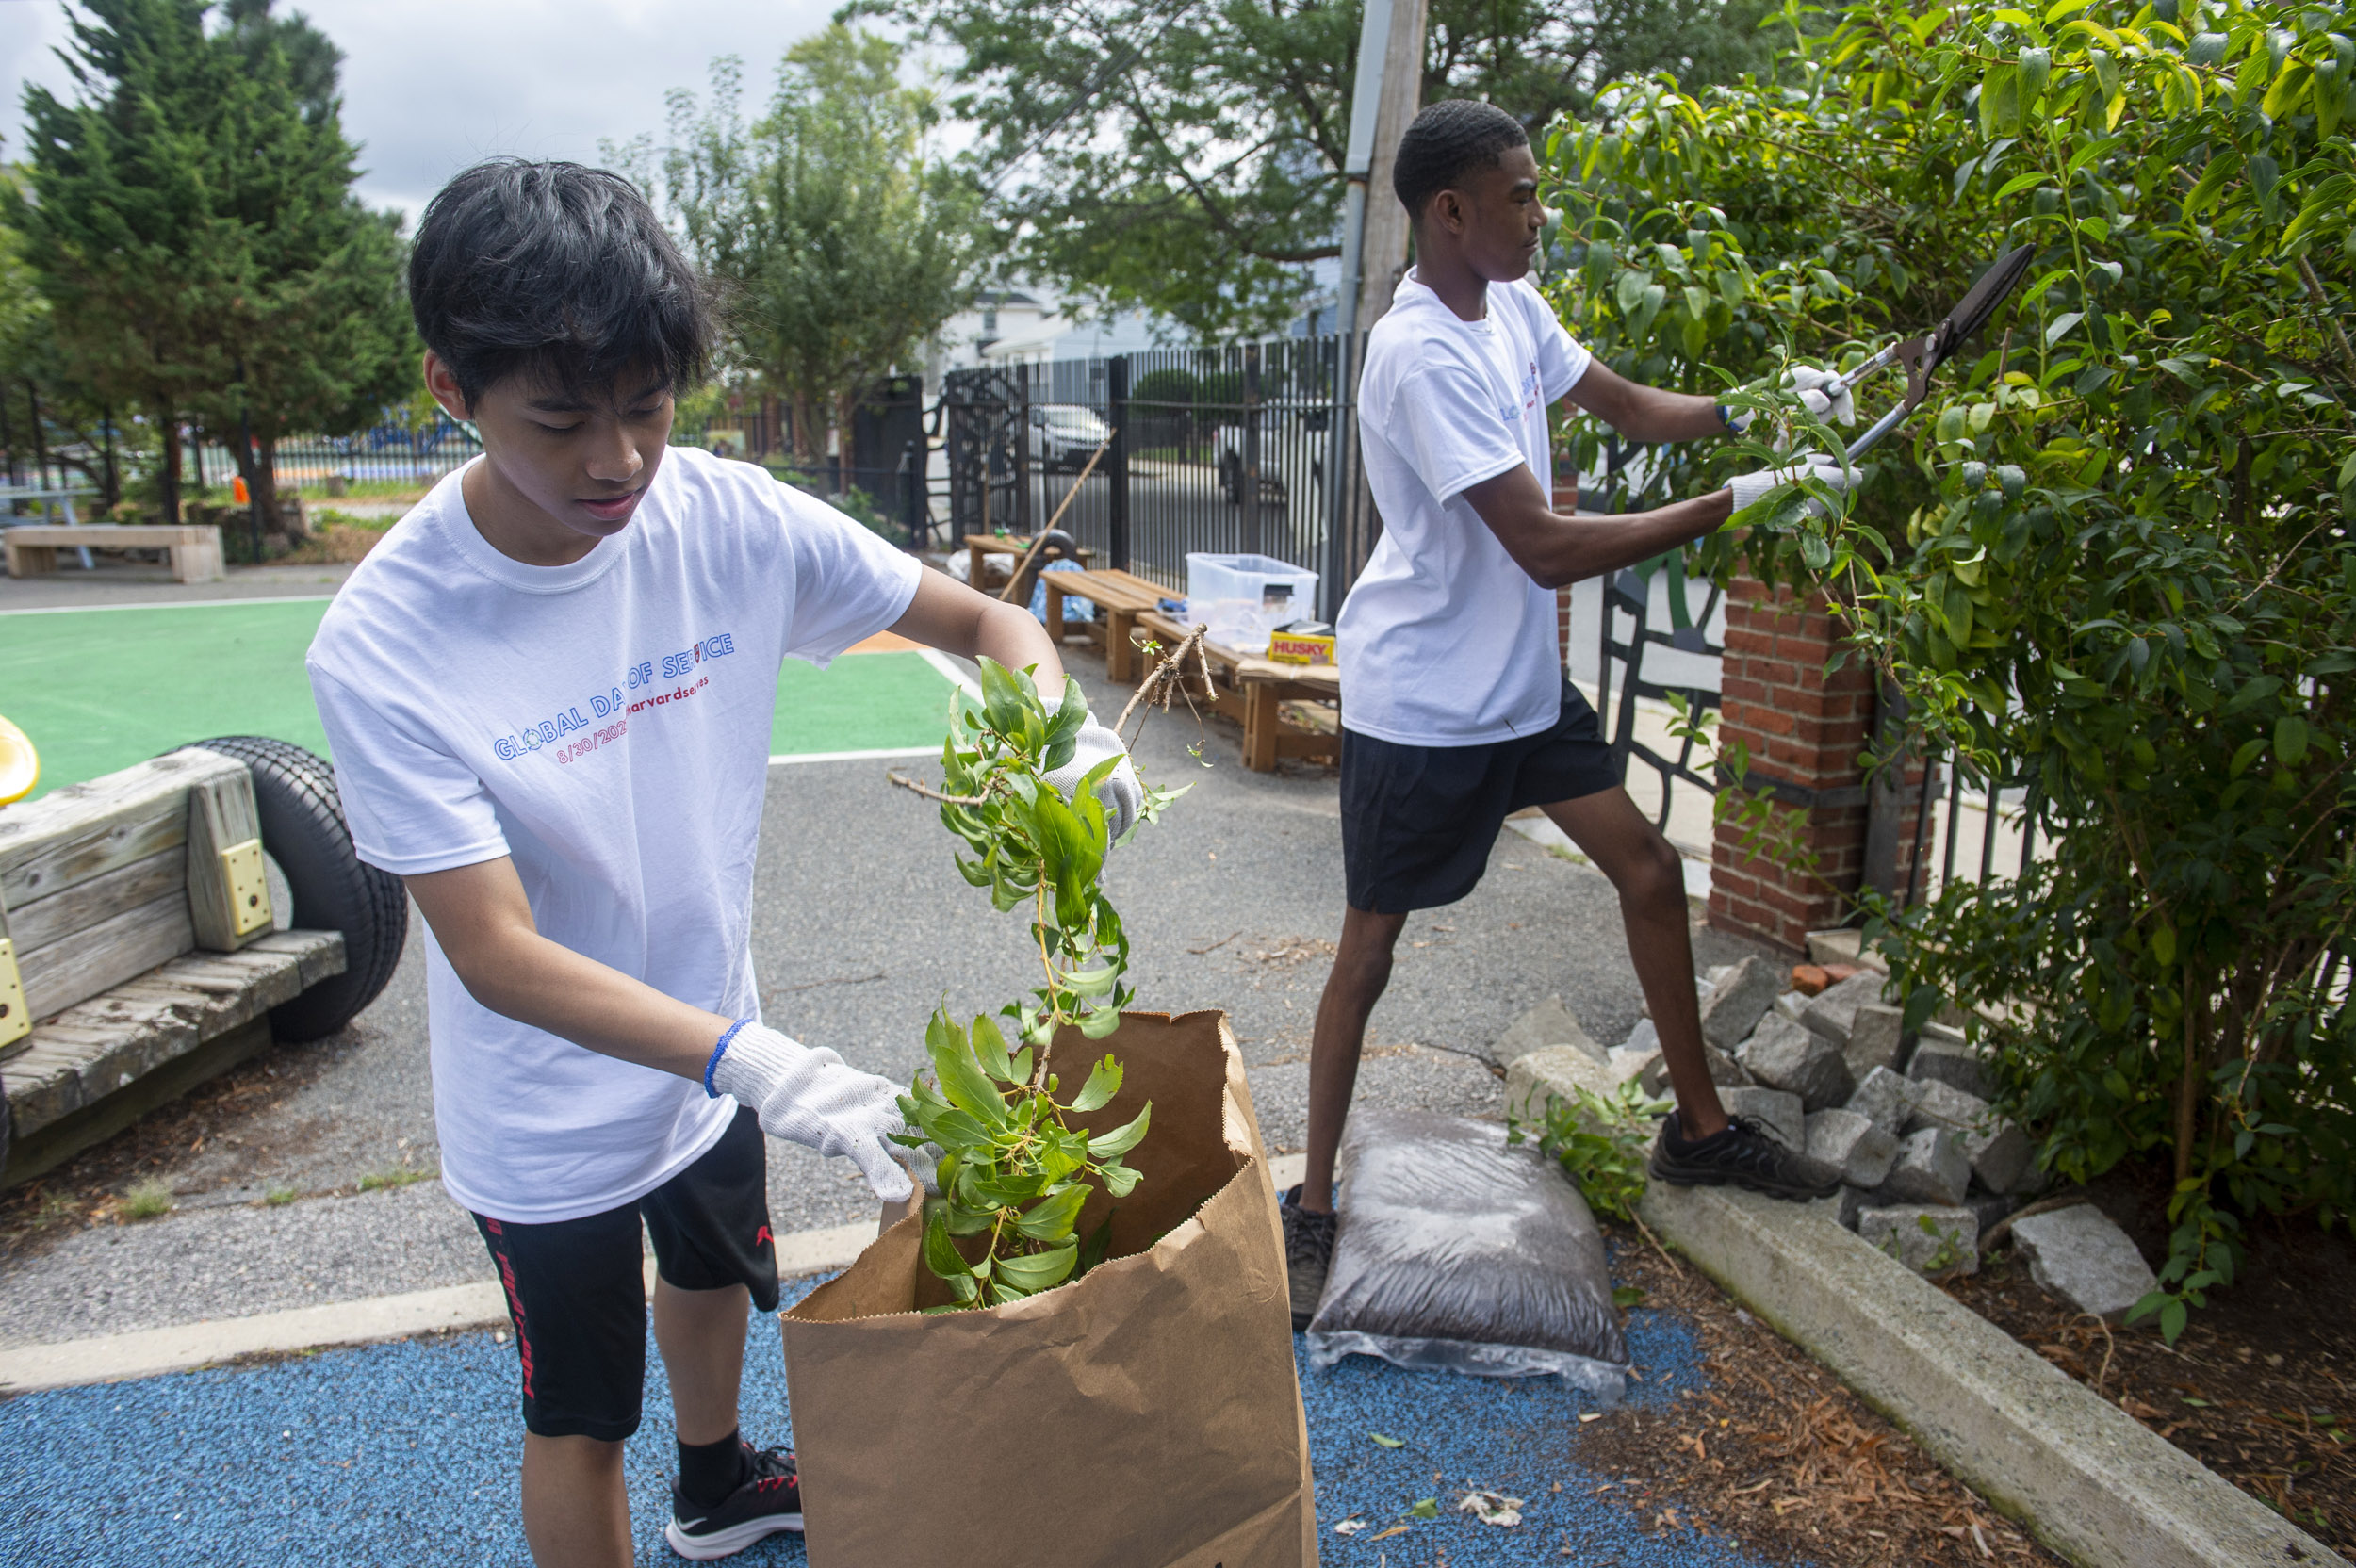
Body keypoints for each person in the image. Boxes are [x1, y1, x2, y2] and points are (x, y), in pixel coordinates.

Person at [305, 160, 1140, 1564]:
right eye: (561, 420)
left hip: (714, 1035)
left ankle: (717, 1484)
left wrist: (1059, 733)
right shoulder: (386, 644)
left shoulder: (727, 517)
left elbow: (988, 626)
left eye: (645, 406)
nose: (617, 461)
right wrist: (756, 1064)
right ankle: (659, 1480)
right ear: (452, 389)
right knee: (578, 1414)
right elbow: (498, 957)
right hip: (552, 1112)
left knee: (711, 1271)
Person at [1282, 100, 1856, 1327]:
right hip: (1426, 702)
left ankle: (1698, 1133)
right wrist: (1738, 501)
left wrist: (1772, 407)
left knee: (1650, 872)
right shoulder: (1419, 352)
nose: (1541, 215)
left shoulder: (1513, 311)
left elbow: (1640, 410)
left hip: (1522, 692)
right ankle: (1313, 1201)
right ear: (1453, 212)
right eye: (1523, 195)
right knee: (1368, 956)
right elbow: (1542, 546)